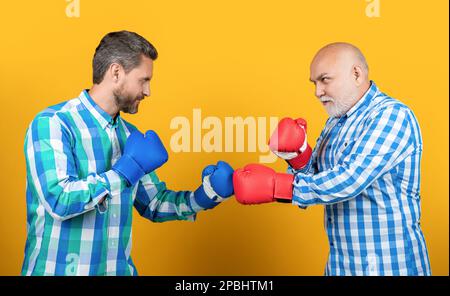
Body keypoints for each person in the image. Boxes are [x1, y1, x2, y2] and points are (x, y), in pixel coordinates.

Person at [22, 30, 234, 276]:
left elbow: (154, 203)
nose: (148, 92)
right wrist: (122, 174)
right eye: (143, 80)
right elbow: (58, 199)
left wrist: (206, 195)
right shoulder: (54, 124)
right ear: (116, 72)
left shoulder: (130, 135)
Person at [233, 42, 431, 276]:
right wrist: (298, 156)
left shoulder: (391, 115)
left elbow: (349, 181)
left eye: (325, 80)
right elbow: (314, 187)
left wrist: (277, 186)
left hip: (389, 266)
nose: (317, 92)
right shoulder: (336, 122)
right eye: (314, 83)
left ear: (356, 74)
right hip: (341, 266)